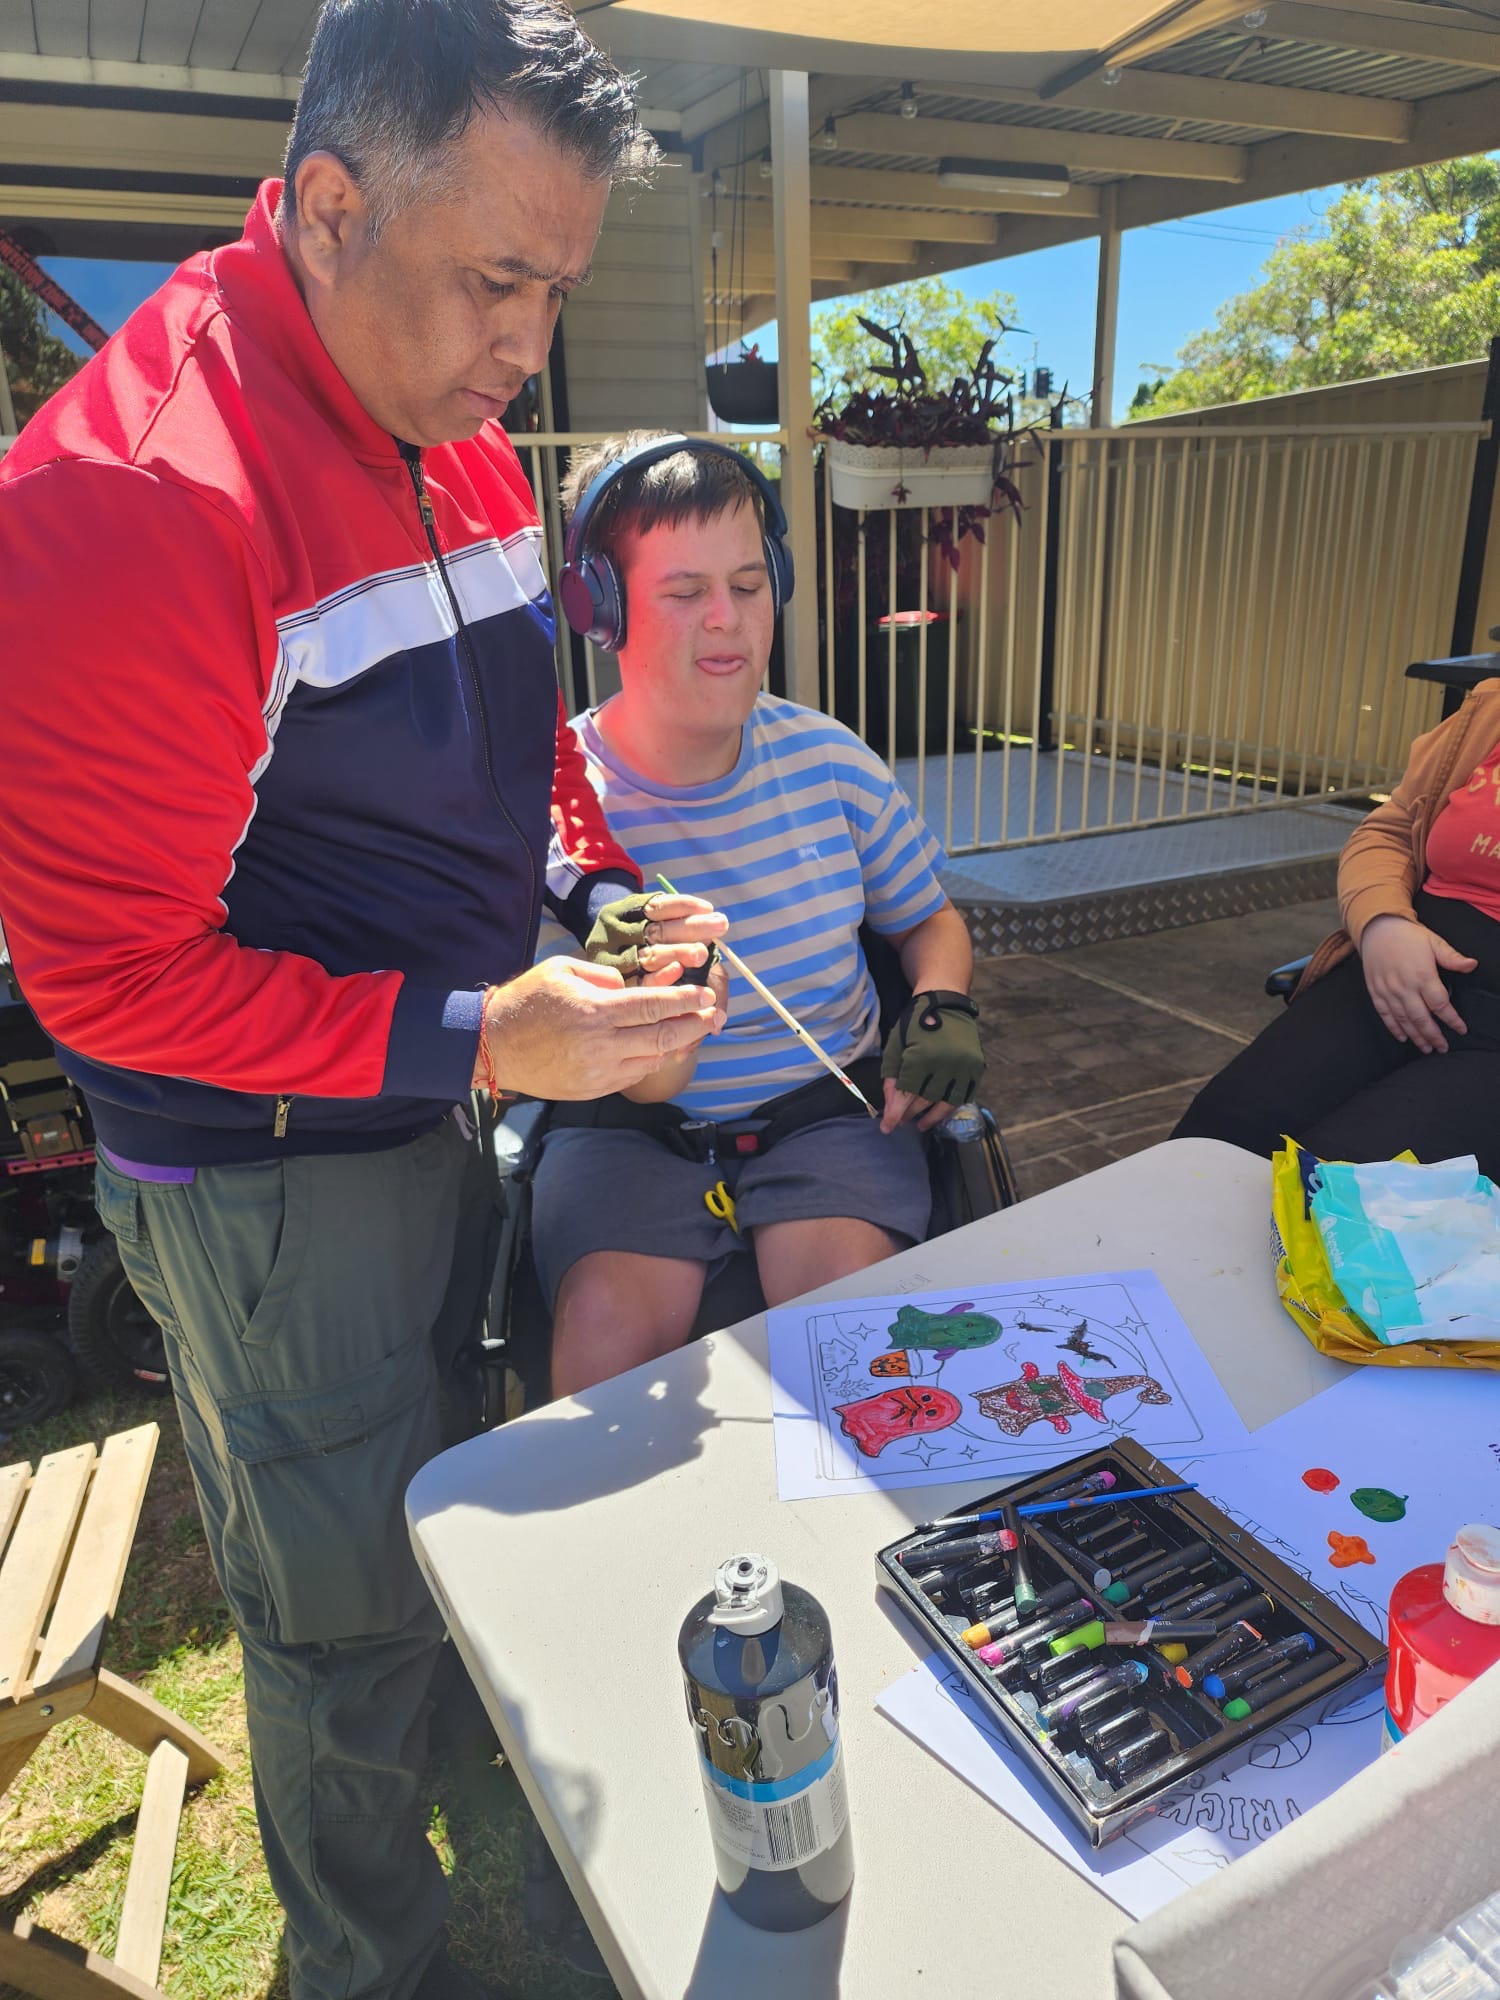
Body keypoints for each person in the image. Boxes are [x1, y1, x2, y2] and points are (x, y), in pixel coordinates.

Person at [0, 7, 725, 1997]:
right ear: (328, 207)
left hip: (437, 1092)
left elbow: (524, 744)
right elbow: (105, 983)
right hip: (261, 1174)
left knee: (456, 1469)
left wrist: (600, 883)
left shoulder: (447, 421)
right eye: (503, 281)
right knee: (330, 1608)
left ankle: (487, 1830)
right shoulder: (133, 497)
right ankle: (369, 1959)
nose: (531, 348)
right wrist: (484, 1034)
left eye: (559, 293)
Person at [529, 431, 988, 1399]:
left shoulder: (832, 761)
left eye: (747, 583)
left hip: (827, 1123)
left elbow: (927, 920)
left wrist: (941, 1006)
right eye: (684, 591)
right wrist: (645, 1014)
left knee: (857, 1361)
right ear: (599, 609)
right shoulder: (559, 805)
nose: (726, 620)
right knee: (599, 1356)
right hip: (625, 1133)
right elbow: (605, 1062)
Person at [1173, 679, 1500, 1179]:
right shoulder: (1490, 711)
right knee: (1214, 1142)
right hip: (1390, 974)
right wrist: (1381, 924)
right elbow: (1390, 830)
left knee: (1327, 1194)